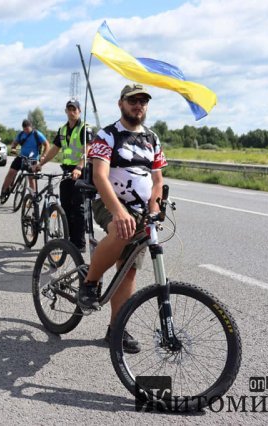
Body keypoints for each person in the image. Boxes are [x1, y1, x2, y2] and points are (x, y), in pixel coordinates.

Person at [77, 83, 168, 354]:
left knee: (128, 269)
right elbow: (99, 176)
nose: (138, 105)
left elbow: (158, 179)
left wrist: (154, 208)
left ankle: (116, 328)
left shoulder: (152, 138)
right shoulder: (107, 135)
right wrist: (118, 211)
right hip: (109, 203)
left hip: (140, 210)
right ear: (121, 104)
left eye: (143, 101)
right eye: (133, 101)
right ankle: (90, 282)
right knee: (122, 231)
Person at [33, 100, 90, 251]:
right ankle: (69, 240)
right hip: (66, 172)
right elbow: (54, 149)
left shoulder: (85, 128)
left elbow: (87, 150)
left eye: (74, 109)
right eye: (69, 109)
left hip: (80, 171)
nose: (72, 112)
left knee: (78, 208)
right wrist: (41, 163)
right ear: (66, 111)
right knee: (65, 207)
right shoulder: (63, 130)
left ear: (79, 111)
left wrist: (79, 167)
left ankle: (79, 244)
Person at [0, 119, 48, 197]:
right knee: (11, 172)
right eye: (24, 129)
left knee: (31, 178)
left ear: (31, 127)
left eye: (27, 129)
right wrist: (13, 148)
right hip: (21, 157)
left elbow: (47, 145)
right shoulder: (21, 134)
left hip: (33, 159)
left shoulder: (37, 134)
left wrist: (43, 156)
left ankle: (33, 198)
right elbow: (14, 143)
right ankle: (4, 190)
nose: (26, 131)